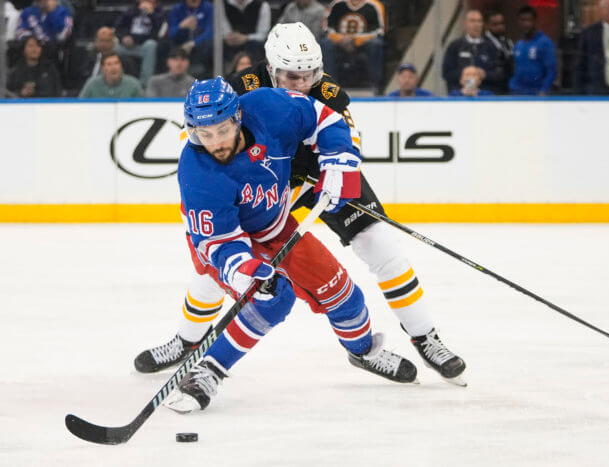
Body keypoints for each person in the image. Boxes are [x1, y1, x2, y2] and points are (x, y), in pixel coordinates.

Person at [134, 23, 466, 386]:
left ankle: (425, 336)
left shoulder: (328, 91)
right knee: (219, 266)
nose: (303, 83)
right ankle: (187, 340)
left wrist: (341, 166)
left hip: (323, 172)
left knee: (381, 245)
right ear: (272, 68)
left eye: (310, 74)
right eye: (292, 76)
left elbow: (345, 133)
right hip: (265, 179)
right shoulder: (245, 85)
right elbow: (203, 135)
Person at [162, 77, 419, 412]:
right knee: (273, 298)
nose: (215, 143)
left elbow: (325, 119)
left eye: (222, 130)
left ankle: (363, 352)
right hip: (225, 243)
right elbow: (220, 244)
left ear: (238, 116)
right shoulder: (198, 172)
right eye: (204, 134)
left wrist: (339, 159)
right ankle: (208, 370)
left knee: (342, 293)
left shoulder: (269, 107)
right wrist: (249, 271)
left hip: (276, 226)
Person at [321, 0, 385, 91]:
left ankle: (377, 87)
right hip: (340, 44)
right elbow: (327, 29)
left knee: (376, 44)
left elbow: (380, 31)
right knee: (326, 44)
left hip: (364, 44)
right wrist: (340, 39)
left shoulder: (375, 5)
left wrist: (355, 39)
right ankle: (330, 88)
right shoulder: (336, 4)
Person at [442, 9, 504, 94]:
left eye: (479, 21)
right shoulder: (455, 46)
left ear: (483, 24)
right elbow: (446, 73)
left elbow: (500, 74)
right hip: (458, 95)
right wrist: (466, 74)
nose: (476, 24)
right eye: (472, 21)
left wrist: (484, 74)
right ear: (465, 24)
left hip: (485, 95)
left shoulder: (491, 47)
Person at [114, 0, 165, 87]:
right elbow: (118, 27)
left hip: (144, 46)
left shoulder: (159, 12)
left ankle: (144, 84)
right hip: (128, 45)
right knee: (113, 45)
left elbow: (160, 33)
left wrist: (151, 14)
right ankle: (112, 80)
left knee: (151, 45)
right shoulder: (131, 10)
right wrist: (123, 37)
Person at [509, 6, 557, 95]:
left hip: (536, 94)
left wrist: (544, 91)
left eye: (529, 20)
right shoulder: (518, 45)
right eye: (523, 20)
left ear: (535, 22)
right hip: (517, 93)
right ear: (518, 22)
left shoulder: (545, 43)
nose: (526, 24)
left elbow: (551, 71)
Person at [168, 0, 213, 77]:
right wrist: (181, 26)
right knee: (167, 44)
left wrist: (193, 43)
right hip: (181, 44)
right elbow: (171, 33)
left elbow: (211, 31)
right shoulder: (177, 8)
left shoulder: (208, 7)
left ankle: (201, 68)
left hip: (200, 46)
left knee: (211, 42)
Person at [79, 52, 143, 98]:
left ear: (121, 66)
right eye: (109, 64)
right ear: (103, 68)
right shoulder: (92, 84)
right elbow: (80, 105)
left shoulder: (133, 84)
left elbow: (142, 108)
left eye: (116, 63)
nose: (113, 67)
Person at [484, 11, 513, 93]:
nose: (500, 27)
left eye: (501, 23)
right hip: (490, 89)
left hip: (506, 87)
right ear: (487, 25)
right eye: (495, 24)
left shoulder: (507, 42)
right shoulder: (483, 43)